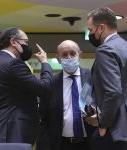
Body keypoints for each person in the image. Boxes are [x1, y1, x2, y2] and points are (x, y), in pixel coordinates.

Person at [0, 27, 53, 145]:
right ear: (14, 42)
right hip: (12, 134)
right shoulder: (14, 64)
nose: (27, 46)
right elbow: (45, 88)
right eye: (26, 42)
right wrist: (45, 63)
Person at [37, 40, 95, 150]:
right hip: (62, 144)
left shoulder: (92, 77)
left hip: (91, 142)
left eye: (72, 53)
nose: (69, 57)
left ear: (80, 55)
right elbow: (43, 119)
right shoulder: (51, 84)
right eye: (64, 55)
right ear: (58, 58)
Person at [87, 7, 127, 150]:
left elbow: (114, 91)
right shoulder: (124, 47)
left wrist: (103, 124)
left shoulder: (106, 49)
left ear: (101, 28)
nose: (90, 34)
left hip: (113, 130)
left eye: (91, 30)